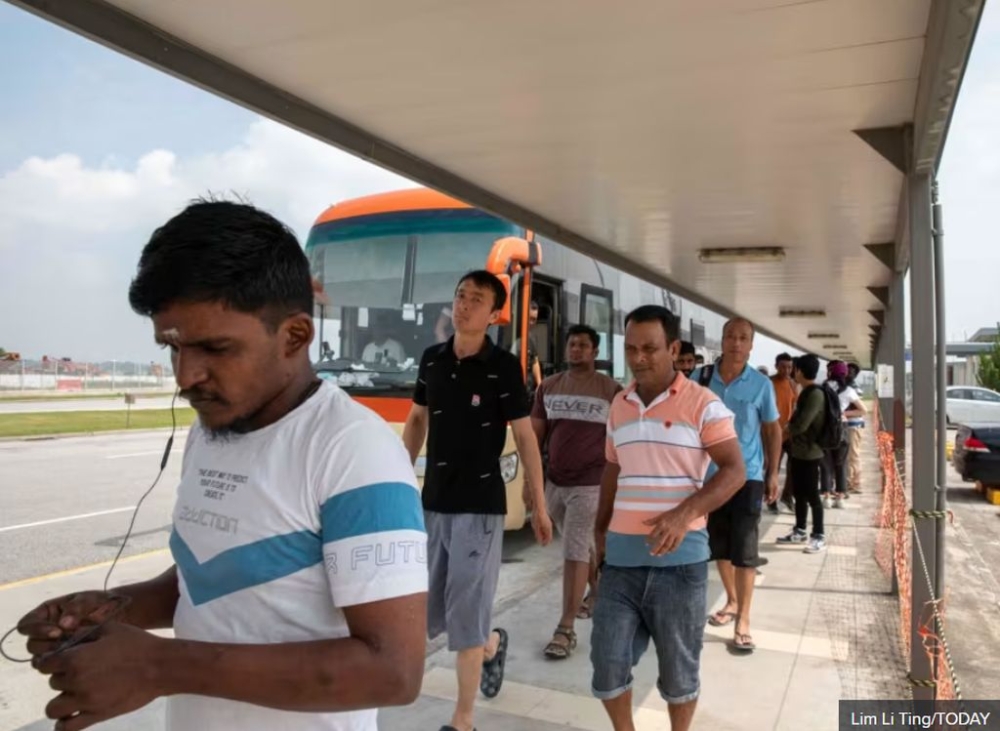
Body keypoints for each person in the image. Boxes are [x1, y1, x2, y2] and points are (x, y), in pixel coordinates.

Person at [16, 200, 428, 731]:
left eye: (214, 348)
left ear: (294, 336)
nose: (185, 376)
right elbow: (211, 579)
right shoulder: (213, 429)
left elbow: (392, 671)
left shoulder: (354, 451)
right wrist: (111, 608)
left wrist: (158, 666)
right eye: (172, 347)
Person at [402, 270, 553, 731]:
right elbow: (416, 421)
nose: (464, 305)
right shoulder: (432, 359)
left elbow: (525, 437)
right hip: (434, 502)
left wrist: (539, 503)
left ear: (494, 314)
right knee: (435, 610)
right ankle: (490, 645)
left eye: (476, 299)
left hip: (480, 507)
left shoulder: (502, 366)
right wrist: (395, 483)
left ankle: (462, 720)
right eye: (460, 296)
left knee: (466, 610)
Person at [592, 305, 745, 731]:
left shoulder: (704, 404)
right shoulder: (619, 405)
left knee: (679, 675)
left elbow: (735, 470)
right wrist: (599, 530)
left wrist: (684, 514)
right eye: (631, 349)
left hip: (680, 567)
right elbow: (612, 468)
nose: (638, 358)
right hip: (620, 564)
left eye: (650, 348)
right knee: (606, 667)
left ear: (674, 349)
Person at [530, 324, 621, 659]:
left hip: (591, 483)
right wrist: (531, 486)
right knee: (581, 544)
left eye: (583, 345)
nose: (576, 350)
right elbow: (535, 437)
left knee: (574, 550)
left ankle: (565, 629)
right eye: (572, 344)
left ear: (595, 351)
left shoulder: (611, 391)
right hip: (555, 483)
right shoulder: (549, 386)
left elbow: (621, 440)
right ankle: (597, 589)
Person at [694, 318, 781, 654]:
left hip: (748, 477)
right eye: (731, 336)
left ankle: (743, 619)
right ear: (722, 340)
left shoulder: (761, 385)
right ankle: (731, 600)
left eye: (743, 338)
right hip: (708, 477)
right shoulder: (700, 378)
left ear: (751, 345)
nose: (736, 343)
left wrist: (773, 473)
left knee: (745, 551)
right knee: (719, 546)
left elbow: (772, 430)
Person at [777, 354, 828, 553]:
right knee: (799, 493)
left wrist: (786, 429)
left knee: (812, 494)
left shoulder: (815, 394)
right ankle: (799, 530)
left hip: (810, 453)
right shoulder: (805, 391)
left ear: (799, 371)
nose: (791, 372)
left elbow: (801, 424)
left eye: (794, 369)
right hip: (799, 451)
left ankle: (819, 535)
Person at [767, 352, 798, 513]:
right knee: (774, 468)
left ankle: (787, 496)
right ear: (776, 366)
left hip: (788, 433)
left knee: (796, 465)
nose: (786, 370)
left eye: (789, 367)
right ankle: (770, 499)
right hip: (773, 433)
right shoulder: (768, 383)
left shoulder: (792, 384)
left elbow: (795, 405)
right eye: (783, 367)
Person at [512, 300, 543, 396]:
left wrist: (539, 385)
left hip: (527, 390)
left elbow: (535, 361)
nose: (531, 322)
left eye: (534, 319)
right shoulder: (511, 335)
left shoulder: (531, 338)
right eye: (529, 318)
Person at [845, 363, 866, 493]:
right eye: (847, 371)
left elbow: (860, 410)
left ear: (855, 374)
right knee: (849, 455)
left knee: (853, 455)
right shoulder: (848, 387)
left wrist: (842, 413)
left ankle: (856, 484)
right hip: (851, 425)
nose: (847, 374)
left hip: (853, 425)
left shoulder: (853, 389)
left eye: (851, 372)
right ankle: (849, 482)